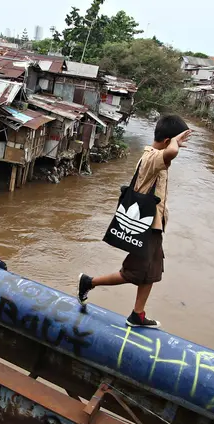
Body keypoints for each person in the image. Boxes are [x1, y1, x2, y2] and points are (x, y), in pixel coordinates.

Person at [77, 115, 191, 328]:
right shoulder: (154, 157)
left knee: (152, 271)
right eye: (176, 141)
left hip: (154, 227)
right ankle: (89, 282)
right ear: (167, 141)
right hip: (147, 226)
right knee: (134, 272)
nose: (179, 146)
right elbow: (172, 152)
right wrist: (175, 143)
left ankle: (138, 314)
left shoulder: (155, 155)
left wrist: (174, 140)